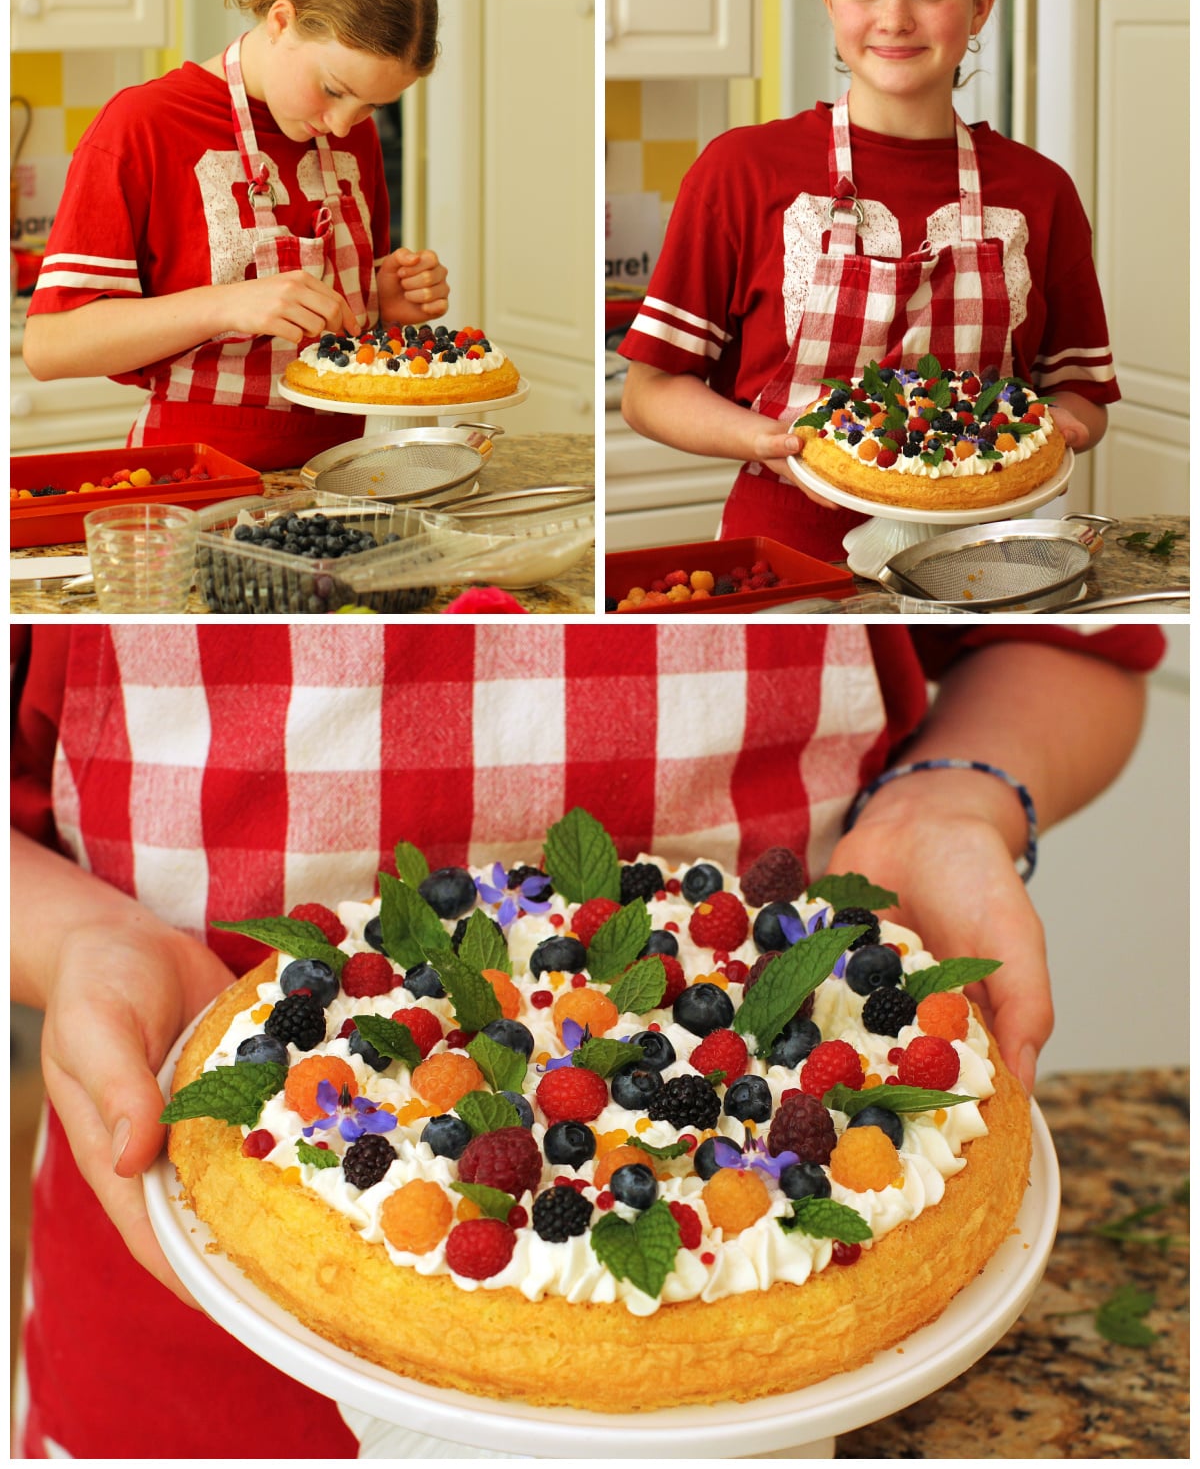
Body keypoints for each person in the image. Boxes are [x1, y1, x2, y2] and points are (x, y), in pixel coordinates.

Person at [10, 619, 1163, 1458]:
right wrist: (71, 938)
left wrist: (952, 797)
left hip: (783, 1279)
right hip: (185, 1368)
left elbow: (1085, 640)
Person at [618, 0, 1118, 560]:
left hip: (987, 563)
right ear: (828, 0)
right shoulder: (741, 169)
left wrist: (1063, 427)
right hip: (786, 557)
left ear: (980, 7)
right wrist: (770, 443)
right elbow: (649, 392)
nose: (894, 17)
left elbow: (1082, 395)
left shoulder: (1040, 190)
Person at [22, 0, 450, 471]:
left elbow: (347, 345)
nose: (343, 125)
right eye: (333, 90)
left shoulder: (350, 139)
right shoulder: (142, 125)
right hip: (191, 481)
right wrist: (227, 304)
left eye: (371, 106)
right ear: (280, 20)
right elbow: (48, 347)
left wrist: (385, 307)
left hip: (345, 476)